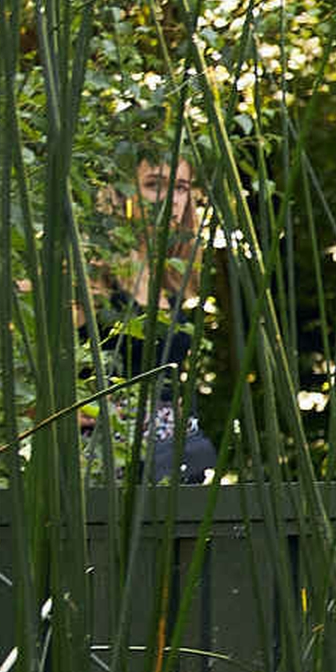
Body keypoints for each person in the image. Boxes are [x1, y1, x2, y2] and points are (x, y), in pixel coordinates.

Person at [94, 152, 215, 483]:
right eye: (154, 185)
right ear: (121, 193)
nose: (170, 200)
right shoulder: (92, 277)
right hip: (110, 464)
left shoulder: (172, 279)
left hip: (174, 461)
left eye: (180, 188)